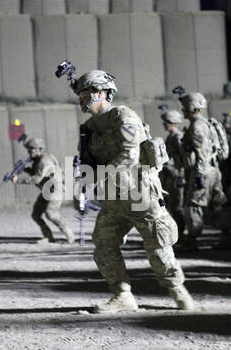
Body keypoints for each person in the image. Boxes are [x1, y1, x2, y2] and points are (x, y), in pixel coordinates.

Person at [71, 70, 194, 312]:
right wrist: (81, 188)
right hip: (114, 198)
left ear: (99, 93)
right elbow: (85, 163)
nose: (80, 100)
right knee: (103, 243)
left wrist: (100, 177)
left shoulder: (124, 117)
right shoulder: (88, 129)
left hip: (140, 194)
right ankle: (122, 295)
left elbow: (130, 155)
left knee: (158, 245)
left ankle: (178, 291)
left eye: (83, 94)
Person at [177, 91, 231, 250]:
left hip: (203, 171)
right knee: (217, 204)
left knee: (193, 204)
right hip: (214, 170)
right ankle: (227, 236)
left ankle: (192, 240)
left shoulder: (197, 126)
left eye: (184, 107)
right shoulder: (206, 123)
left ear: (190, 107)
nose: (182, 110)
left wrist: (199, 175)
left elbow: (201, 152)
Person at [12, 137, 75, 244]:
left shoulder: (44, 161)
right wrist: (25, 168)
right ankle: (48, 236)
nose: (29, 152)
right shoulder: (40, 160)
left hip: (56, 189)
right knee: (36, 214)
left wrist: (18, 180)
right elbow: (37, 173)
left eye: (31, 149)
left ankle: (69, 234)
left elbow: (37, 179)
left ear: (38, 149)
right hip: (47, 190)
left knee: (51, 213)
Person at [159, 106, 185, 242]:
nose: (164, 124)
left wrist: (180, 174)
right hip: (170, 175)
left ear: (171, 122)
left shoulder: (177, 137)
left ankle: (181, 236)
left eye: (166, 122)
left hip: (176, 176)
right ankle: (177, 236)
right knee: (171, 207)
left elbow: (183, 158)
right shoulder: (171, 136)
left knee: (177, 207)